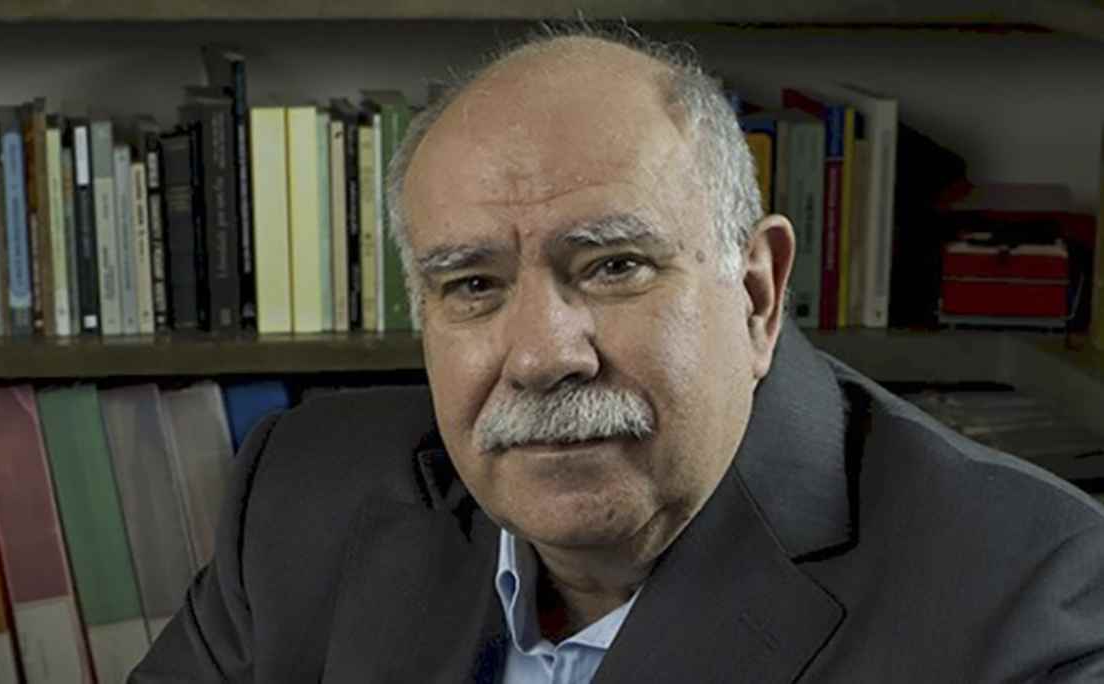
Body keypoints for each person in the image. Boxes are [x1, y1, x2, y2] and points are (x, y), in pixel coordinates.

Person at [131, 28, 1104, 683]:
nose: (540, 356)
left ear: (758, 293)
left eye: (614, 266)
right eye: (472, 284)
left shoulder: (1026, 605)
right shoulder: (300, 496)